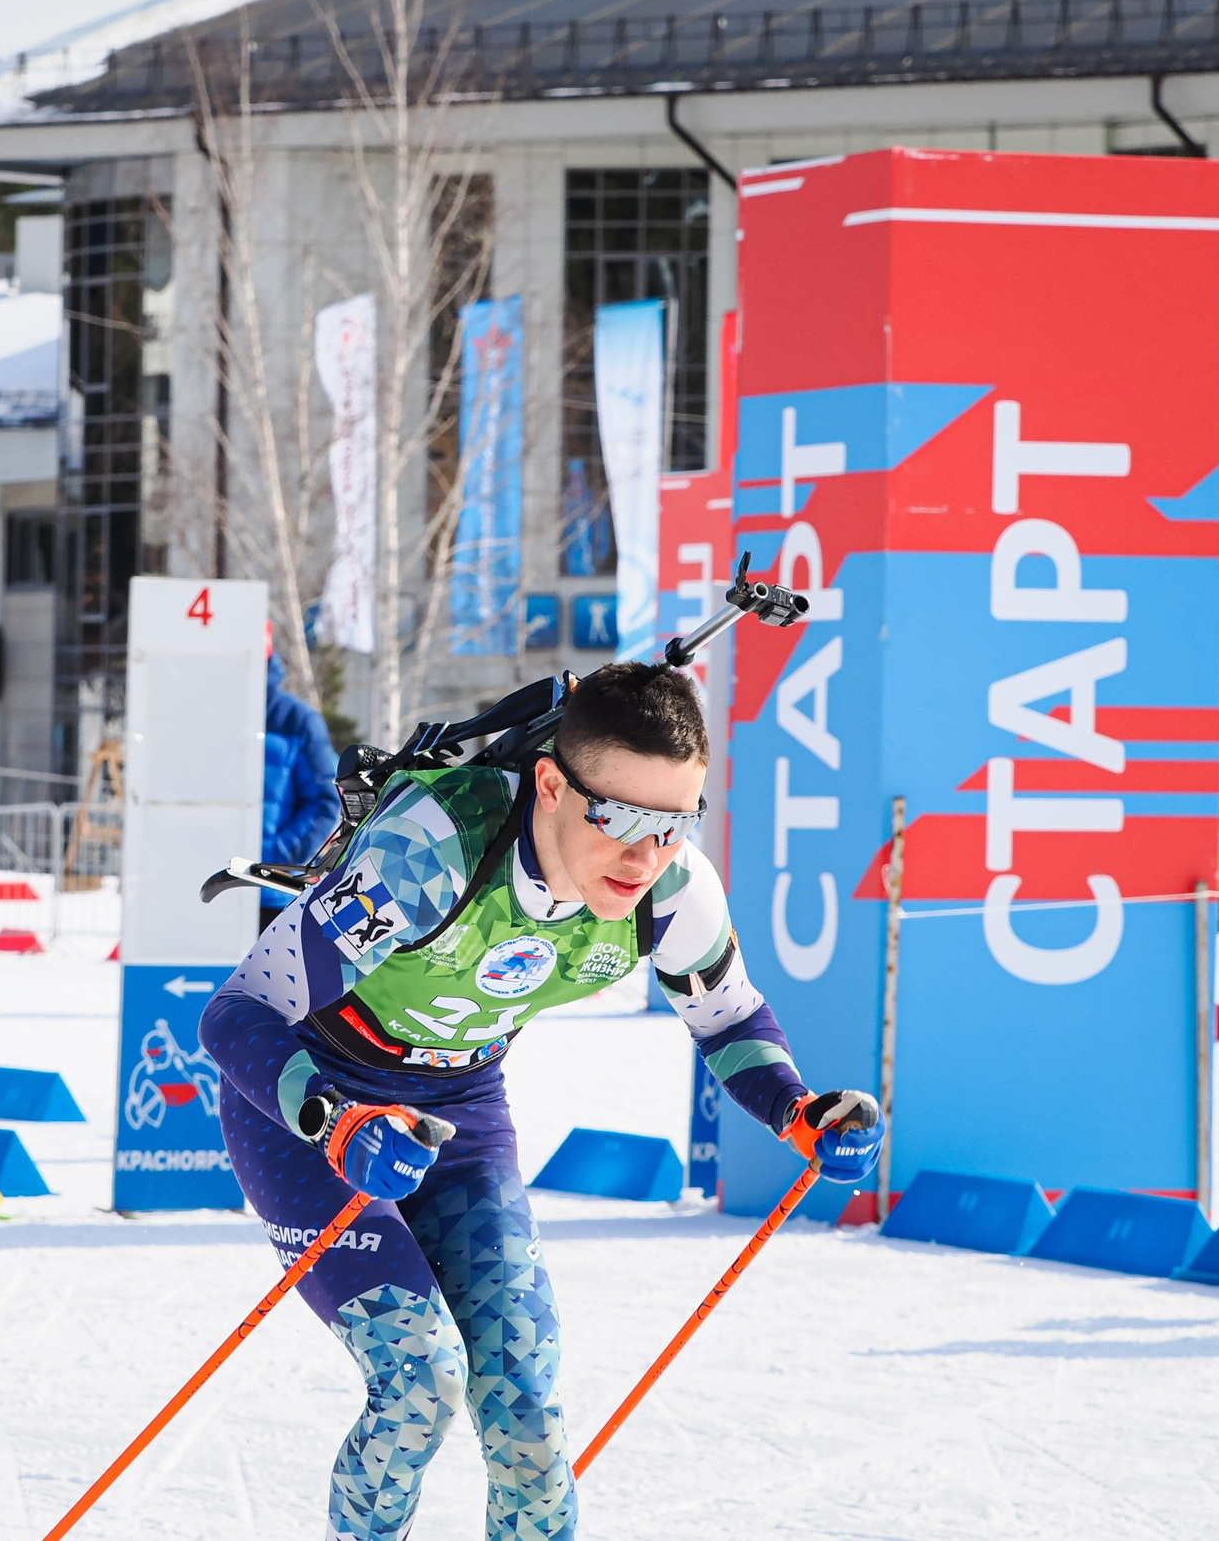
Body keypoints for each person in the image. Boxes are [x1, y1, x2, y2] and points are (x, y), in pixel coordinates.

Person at [198, 662, 885, 1540]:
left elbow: (728, 1015)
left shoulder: (671, 889)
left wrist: (799, 1111)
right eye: (622, 818)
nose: (645, 856)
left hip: (458, 1106)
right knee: (421, 1381)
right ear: (553, 784)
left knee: (524, 1401)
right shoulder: (431, 851)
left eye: (675, 823)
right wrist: (335, 1121)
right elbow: (240, 1012)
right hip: (311, 1096)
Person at [259, 625, 340, 927]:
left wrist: (277, 857)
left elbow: (323, 800)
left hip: (271, 896)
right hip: (205, 889)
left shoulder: (296, 719)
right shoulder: (200, 711)